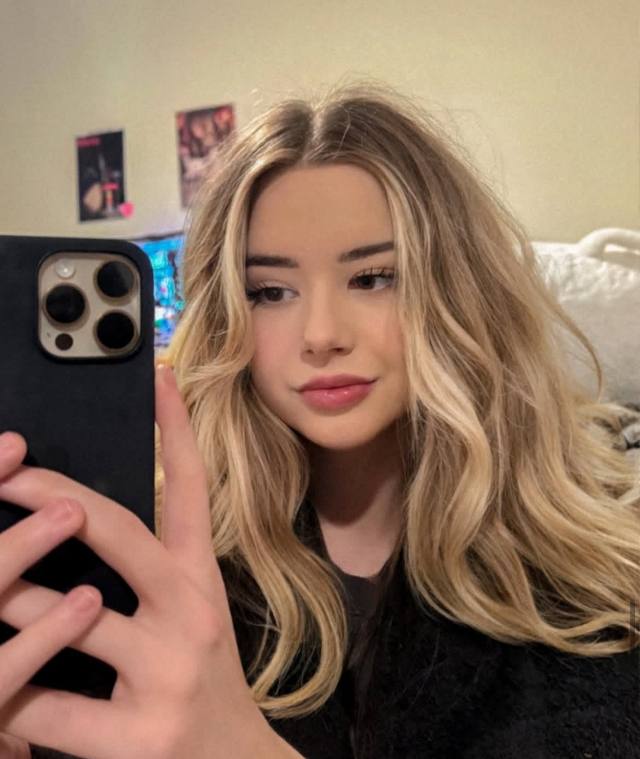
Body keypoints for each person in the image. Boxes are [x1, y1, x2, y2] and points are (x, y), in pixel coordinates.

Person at [1, 79, 639, 758]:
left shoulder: (604, 575)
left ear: (459, 291)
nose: (322, 335)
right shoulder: (154, 563)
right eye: (270, 291)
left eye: (373, 278)